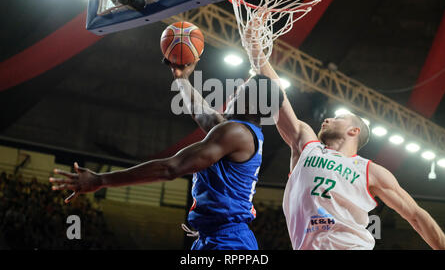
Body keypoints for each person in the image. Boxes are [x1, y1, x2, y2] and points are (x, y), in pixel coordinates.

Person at [246, 18, 445, 250]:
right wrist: (256, 51)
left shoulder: (371, 171)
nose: (328, 119)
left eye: (338, 117)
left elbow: (415, 215)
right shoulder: (306, 143)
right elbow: (277, 95)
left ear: (354, 131)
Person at [50, 60, 284, 250]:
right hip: (216, 238)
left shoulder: (234, 132)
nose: (233, 92)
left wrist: (101, 180)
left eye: (240, 89)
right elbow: (200, 112)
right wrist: (181, 78)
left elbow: (172, 167)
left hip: (228, 242)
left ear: (251, 102)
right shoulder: (240, 132)